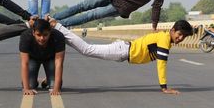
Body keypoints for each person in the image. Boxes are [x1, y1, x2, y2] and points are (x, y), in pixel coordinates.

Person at [47, 15, 195, 94]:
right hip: (123, 50)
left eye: (184, 37)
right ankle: (58, 27)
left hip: (123, 50)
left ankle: (59, 32)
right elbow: (161, 64)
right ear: (173, 29)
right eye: (180, 34)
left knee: (86, 49)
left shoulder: (165, 38)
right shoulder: (164, 39)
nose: (180, 38)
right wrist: (164, 87)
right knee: (87, 49)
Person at [19, 19, 65, 95]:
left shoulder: (58, 36)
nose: (42, 38)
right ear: (33, 33)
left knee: (54, 85)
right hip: (33, 58)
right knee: (31, 85)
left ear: (50, 32)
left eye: (45, 35)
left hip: (50, 58)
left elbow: (59, 63)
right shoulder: (25, 36)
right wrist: (26, 88)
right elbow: (25, 63)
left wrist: (56, 89)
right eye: (39, 35)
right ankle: (34, 80)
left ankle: (48, 80)